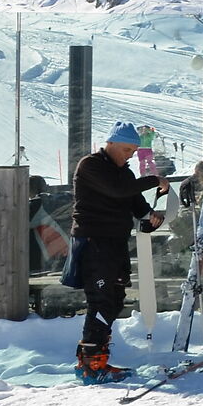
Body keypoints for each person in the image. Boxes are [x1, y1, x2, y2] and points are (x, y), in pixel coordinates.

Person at [67, 122, 169, 383]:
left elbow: (135, 203)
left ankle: (98, 357)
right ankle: (91, 365)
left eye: (134, 151)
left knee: (114, 298)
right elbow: (118, 191)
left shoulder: (124, 172)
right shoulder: (91, 165)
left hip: (115, 242)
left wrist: (150, 216)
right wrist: (153, 179)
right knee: (100, 300)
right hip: (94, 242)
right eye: (126, 149)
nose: (130, 155)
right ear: (110, 143)